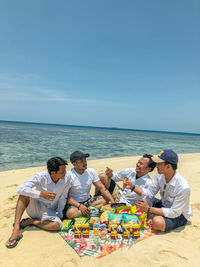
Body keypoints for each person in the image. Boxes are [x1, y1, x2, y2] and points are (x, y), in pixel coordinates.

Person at [6, 157, 70, 248]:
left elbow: (63, 197)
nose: (65, 173)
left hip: (49, 211)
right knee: (23, 194)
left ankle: (31, 222)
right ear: (53, 173)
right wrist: (40, 194)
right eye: (62, 171)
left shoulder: (67, 178)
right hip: (36, 207)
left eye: (65, 170)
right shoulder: (40, 176)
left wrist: (60, 215)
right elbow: (20, 189)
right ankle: (16, 228)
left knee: (57, 225)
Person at [123, 150, 193, 233]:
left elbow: (174, 212)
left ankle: (154, 217)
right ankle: (153, 216)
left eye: (159, 163)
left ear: (168, 166)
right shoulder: (160, 175)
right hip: (164, 205)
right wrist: (132, 187)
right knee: (140, 202)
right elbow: (150, 192)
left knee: (157, 222)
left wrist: (148, 209)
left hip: (179, 215)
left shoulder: (183, 187)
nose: (156, 165)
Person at [65, 151, 115, 219]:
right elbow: (66, 197)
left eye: (85, 160)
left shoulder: (90, 171)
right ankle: (93, 212)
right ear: (74, 164)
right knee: (72, 213)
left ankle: (86, 213)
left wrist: (112, 201)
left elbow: (102, 188)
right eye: (81, 161)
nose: (85, 163)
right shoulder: (69, 176)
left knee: (105, 200)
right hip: (75, 204)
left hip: (88, 202)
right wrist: (80, 206)